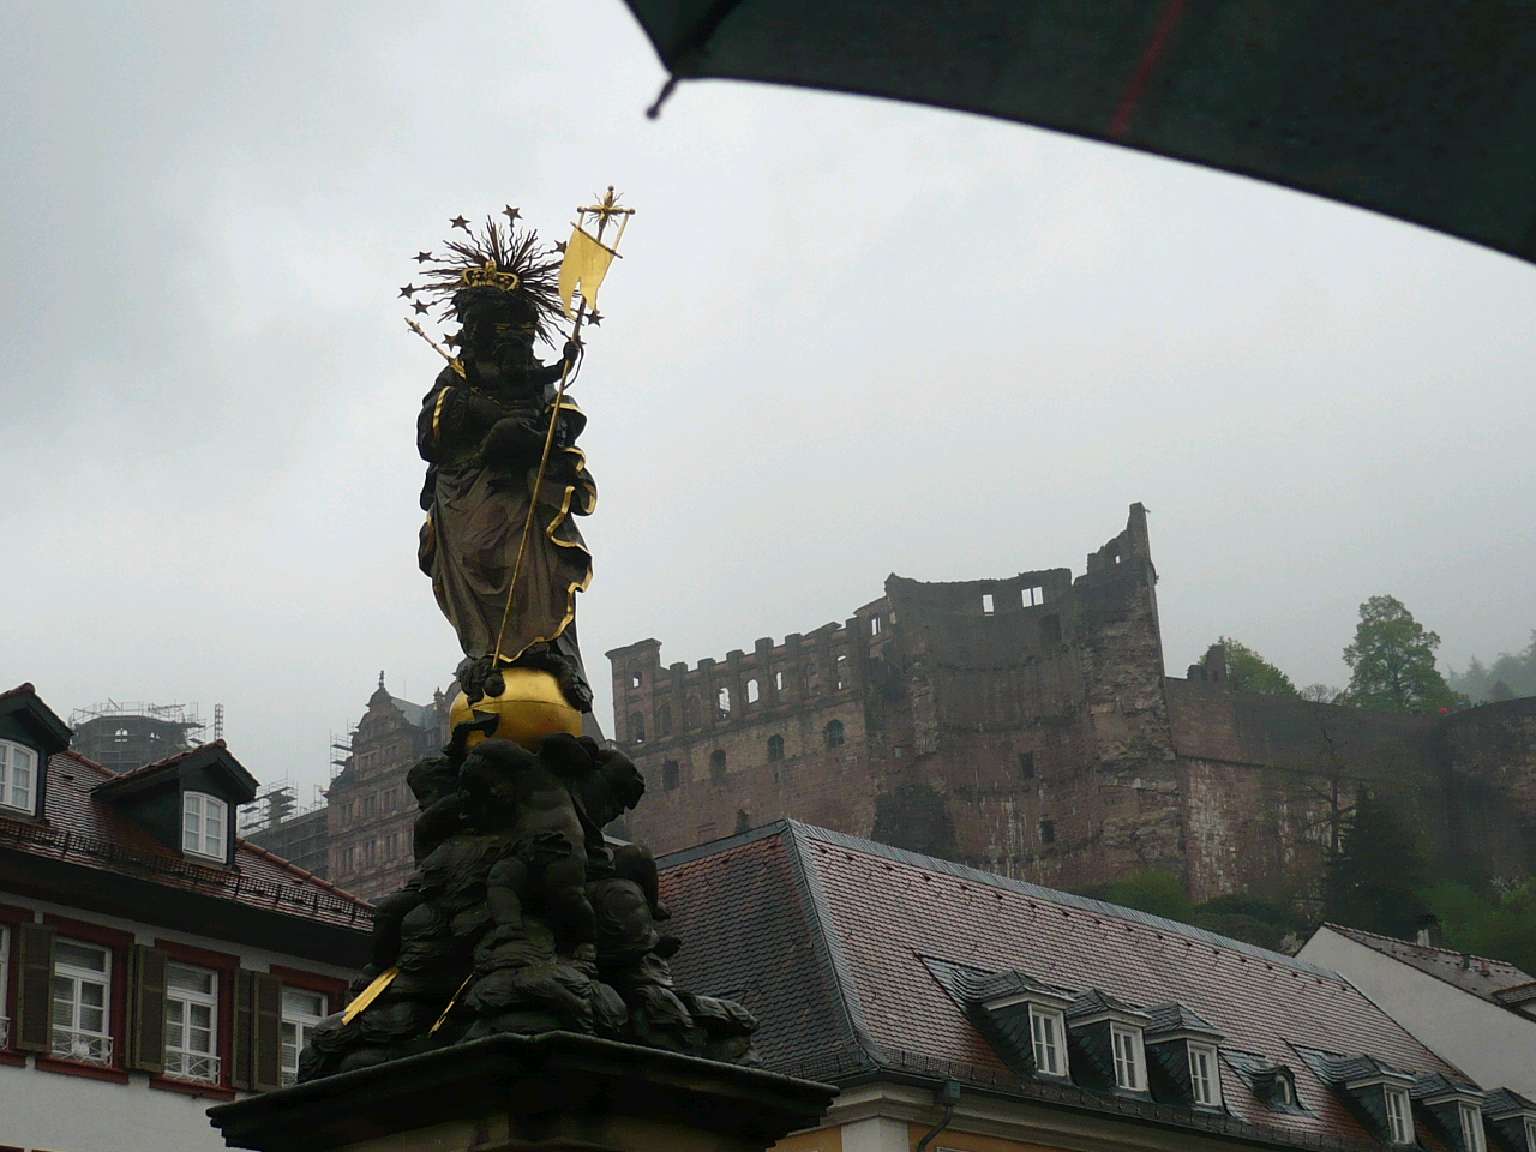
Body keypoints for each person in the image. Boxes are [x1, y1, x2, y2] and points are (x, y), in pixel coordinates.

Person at [416, 273, 595, 712]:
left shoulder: (532, 376)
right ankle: (486, 651)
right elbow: (429, 435)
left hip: (524, 493)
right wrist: (481, 414)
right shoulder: (456, 377)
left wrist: (547, 432)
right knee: (479, 556)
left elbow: (562, 416)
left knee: (536, 567)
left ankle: (549, 652)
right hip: (468, 491)